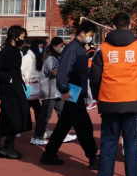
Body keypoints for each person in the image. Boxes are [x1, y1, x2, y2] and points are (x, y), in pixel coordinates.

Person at [90, 13, 137, 176]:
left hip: (109, 101)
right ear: (129, 25)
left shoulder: (102, 48)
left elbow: (94, 78)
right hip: (133, 101)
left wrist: (98, 98)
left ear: (113, 26)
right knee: (131, 145)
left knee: (108, 143)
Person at [40, 22, 99, 168]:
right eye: (90, 35)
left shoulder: (79, 48)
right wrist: (65, 90)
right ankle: (93, 156)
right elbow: (63, 71)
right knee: (84, 125)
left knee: (64, 124)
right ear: (82, 33)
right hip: (73, 92)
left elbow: (80, 71)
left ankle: (49, 153)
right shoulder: (72, 49)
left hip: (76, 91)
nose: (91, 38)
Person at [0, 25, 31, 160]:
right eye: (22, 37)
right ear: (14, 37)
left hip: (14, 87)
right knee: (16, 115)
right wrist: (10, 79)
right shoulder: (8, 51)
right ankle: (6, 145)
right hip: (10, 89)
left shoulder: (13, 50)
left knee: (6, 116)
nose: (23, 40)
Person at [32, 37, 76, 146]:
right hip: (49, 91)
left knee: (63, 113)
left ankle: (63, 134)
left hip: (57, 91)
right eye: (60, 46)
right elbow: (54, 72)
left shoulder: (57, 57)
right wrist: (65, 68)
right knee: (45, 115)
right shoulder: (50, 58)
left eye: (63, 46)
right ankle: (37, 137)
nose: (62, 48)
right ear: (54, 46)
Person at [21, 39, 45, 133]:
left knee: (36, 108)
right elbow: (21, 70)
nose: (41, 49)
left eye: (42, 47)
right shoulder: (27, 58)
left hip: (35, 87)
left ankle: (39, 128)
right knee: (26, 109)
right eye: (40, 47)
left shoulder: (38, 58)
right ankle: (20, 127)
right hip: (28, 87)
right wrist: (24, 82)